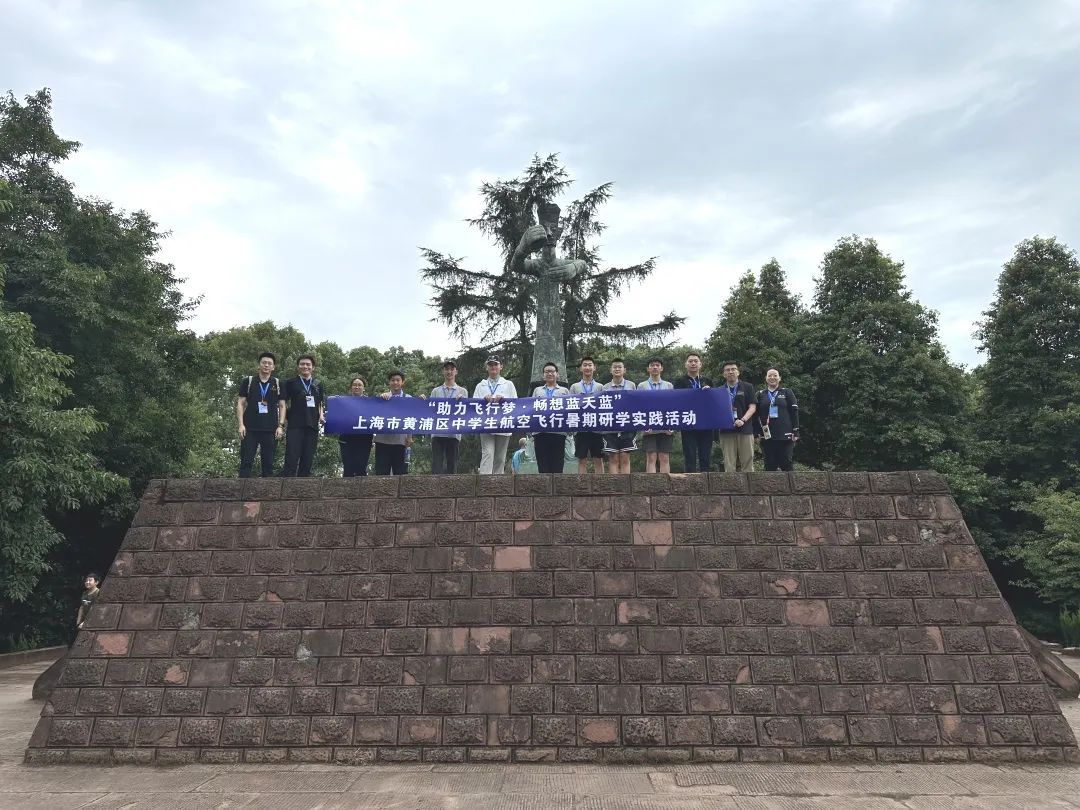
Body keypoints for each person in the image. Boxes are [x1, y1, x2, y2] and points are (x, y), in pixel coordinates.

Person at [236, 352, 285, 478]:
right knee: (246, 462)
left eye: (269, 363)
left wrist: (280, 426)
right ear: (259, 365)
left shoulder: (278, 383)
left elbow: (282, 406)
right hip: (250, 428)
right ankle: (242, 489)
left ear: (273, 367)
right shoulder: (248, 381)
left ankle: (267, 491)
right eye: (264, 362)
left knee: (268, 465)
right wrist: (241, 425)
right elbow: (240, 403)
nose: (266, 365)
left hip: (270, 429)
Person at [281, 354, 325, 477]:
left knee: (308, 456)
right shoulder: (290, 383)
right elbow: (283, 403)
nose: (305, 366)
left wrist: (321, 415)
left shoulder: (318, 384)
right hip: (295, 424)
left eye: (308, 364)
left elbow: (320, 402)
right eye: (302, 364)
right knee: (292, 455)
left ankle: (304, 483)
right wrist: (282, 421)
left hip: (312, 425)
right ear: (298, 366)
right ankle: (287, 481)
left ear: (313, 367)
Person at [472, 356, 518, 474]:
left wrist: (504, 399)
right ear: (486, 367)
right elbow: (473, 405)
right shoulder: (480, 385)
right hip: (486, 425)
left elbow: (515, 403)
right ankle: (484, 482)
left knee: (500, 458)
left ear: (501, 366)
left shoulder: (508, 384)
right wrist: (482, 400)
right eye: (490, 365)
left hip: (503, 425)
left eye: (495, 364)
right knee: (488, 453)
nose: (493, 367)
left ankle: (498, 483)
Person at [673, 352, 714, 472]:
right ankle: (690, 479)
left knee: (705, 453)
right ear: (686, 364)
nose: (693, 363)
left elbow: (714, 400)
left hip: (706, 422)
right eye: (690, 361)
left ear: (700, 364)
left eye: (696, 361)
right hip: (688, 421)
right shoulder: (679, 381)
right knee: (689, 453)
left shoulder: (707, 381)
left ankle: (706, 478)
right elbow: (677, 399)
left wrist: (710, 392)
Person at [755, 368, 799, 471]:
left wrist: (796, 430)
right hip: (767, 435)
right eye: (769, 375)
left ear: (779, 378)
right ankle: (770, 483)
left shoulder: (787, 392)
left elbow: (794, 412)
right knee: (769, 464)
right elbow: (755, 415)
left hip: (785, 434)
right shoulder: (760, 394)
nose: (772, 377)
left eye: (775, 375)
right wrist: (756, 433)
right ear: (766, 378)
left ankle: (790, 482)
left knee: (786, 462)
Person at [531, 362, 571, 473]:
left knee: (557, 463)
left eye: (552, 371)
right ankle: (545, 485)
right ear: (543, 375)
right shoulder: (537, 390)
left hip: (558, 432)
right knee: (542, 464)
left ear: (557, 374)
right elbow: (531, 408)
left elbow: (569, 409)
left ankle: (557, 485)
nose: (549, 374)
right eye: (547, 372)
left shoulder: (564, 391)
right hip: (540, 432)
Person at [430, 360, 469, 474]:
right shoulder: (436, 391)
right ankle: (435, 486)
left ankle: (452, 486)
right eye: (446, 369)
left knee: (452, 465)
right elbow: (430, 409)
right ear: (443, 371)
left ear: (456, 372)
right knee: (437, 465)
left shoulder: (462, 391)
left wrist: (462, 402)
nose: (449, 372)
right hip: (438, 432)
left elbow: (466, 412)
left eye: (452, 369)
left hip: (454, 432)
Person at [718, 360, 757, 473]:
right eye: (727, 370)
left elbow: (752, 407)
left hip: (745, 429)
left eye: (733, 369)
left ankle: (749, 484)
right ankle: (730, 484)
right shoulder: (719, 390)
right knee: (729, 464)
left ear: (738, 372)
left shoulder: (747, 387)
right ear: (724, 374)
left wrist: (743, 420)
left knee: (748, 462)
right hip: (726, 430)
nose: (730, 372)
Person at [638, 356, 675, 473]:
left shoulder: (669, 385)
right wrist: (643, 427)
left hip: (665, 427)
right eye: (652, 365)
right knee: (651, 457)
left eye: (657, 365)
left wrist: (672, 426)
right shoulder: (642, 386)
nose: (655, 367)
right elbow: (639, 407)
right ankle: (651, 483)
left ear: (661, 368)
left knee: (664, 457)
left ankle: (665, 483)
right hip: (649, 427)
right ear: (648, 369)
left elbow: (673, 406)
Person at [374, 370, 413, 475]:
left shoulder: (408, 399)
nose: (395, 382)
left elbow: (411, 418)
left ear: (402, 382)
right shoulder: (382, 397)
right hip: (382, 441)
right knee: (381, 473)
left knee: (400, 473)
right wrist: (381, 399)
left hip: (400, 442)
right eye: (392, 380)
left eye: (398, 380)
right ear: (389, 382)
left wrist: (409, 437)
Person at [570, 356, 605, 473]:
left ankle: (601, 483)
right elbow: (570, 407)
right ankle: (581, 483)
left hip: (597, 428)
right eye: (585, 365)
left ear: (594, 368)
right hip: (581, 428)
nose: (587, 367)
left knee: (598, 459)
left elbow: (604, 406)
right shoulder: (574, 387)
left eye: (590, 365)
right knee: (582, 459)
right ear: (581, 368)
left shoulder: (600, 387)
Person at [602, 358, 637, 473]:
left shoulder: (631, 385)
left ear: (624, 370)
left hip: (627, 426)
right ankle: (614, 484)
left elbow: (635, 405)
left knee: (625, 457)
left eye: (619, 367)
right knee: (613, 458)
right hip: (610, 427)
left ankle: (626, 483)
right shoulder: (605, 387)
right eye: (615, 367)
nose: (617, 369)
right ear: (610, 370)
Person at [338, 377, 373, 476]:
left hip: (364, 439)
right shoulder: (342, 402)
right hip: (346, 439)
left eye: (359, 385)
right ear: (351, 388)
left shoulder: (371, 403)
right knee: (348, 468)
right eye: (354, 385)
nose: (357, 387)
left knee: (361, 468)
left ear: (364, 388)